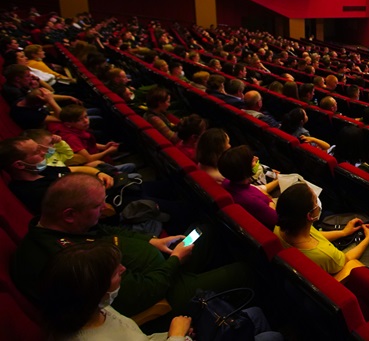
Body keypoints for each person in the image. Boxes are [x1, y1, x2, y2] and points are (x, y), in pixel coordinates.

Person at [12, 173, 252, 317]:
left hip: (164, 266)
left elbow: (108, 230)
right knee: (247, 269)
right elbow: (138, 295)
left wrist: (152, 241)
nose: (105, 210)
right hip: (162, 292)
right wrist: (175, 261)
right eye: (97, 206)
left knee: (206, 228)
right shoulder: (68, 260)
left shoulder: (67, 226)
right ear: (69, 214)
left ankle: (209, 288)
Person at [40, 241, 194, 341]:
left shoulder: (95, 309)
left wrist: (170, 335)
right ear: (96, 290)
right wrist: (176, 336)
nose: (123, 269)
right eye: (115, 273)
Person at [275, 183, 369, 278]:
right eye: (315, 201)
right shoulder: (324, 255)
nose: (318, 202)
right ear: (309, 216)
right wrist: (368, 237)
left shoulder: (282, 227)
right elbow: (346, 259)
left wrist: (344, 232)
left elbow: (315, 234)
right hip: (338, 267)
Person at [218, 145, 278, 229]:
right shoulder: (250, 200)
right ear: (245, 169)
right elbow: (277, 220)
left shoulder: (227, 182)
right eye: (252, 160)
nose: (256, 158)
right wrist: (271, 203)